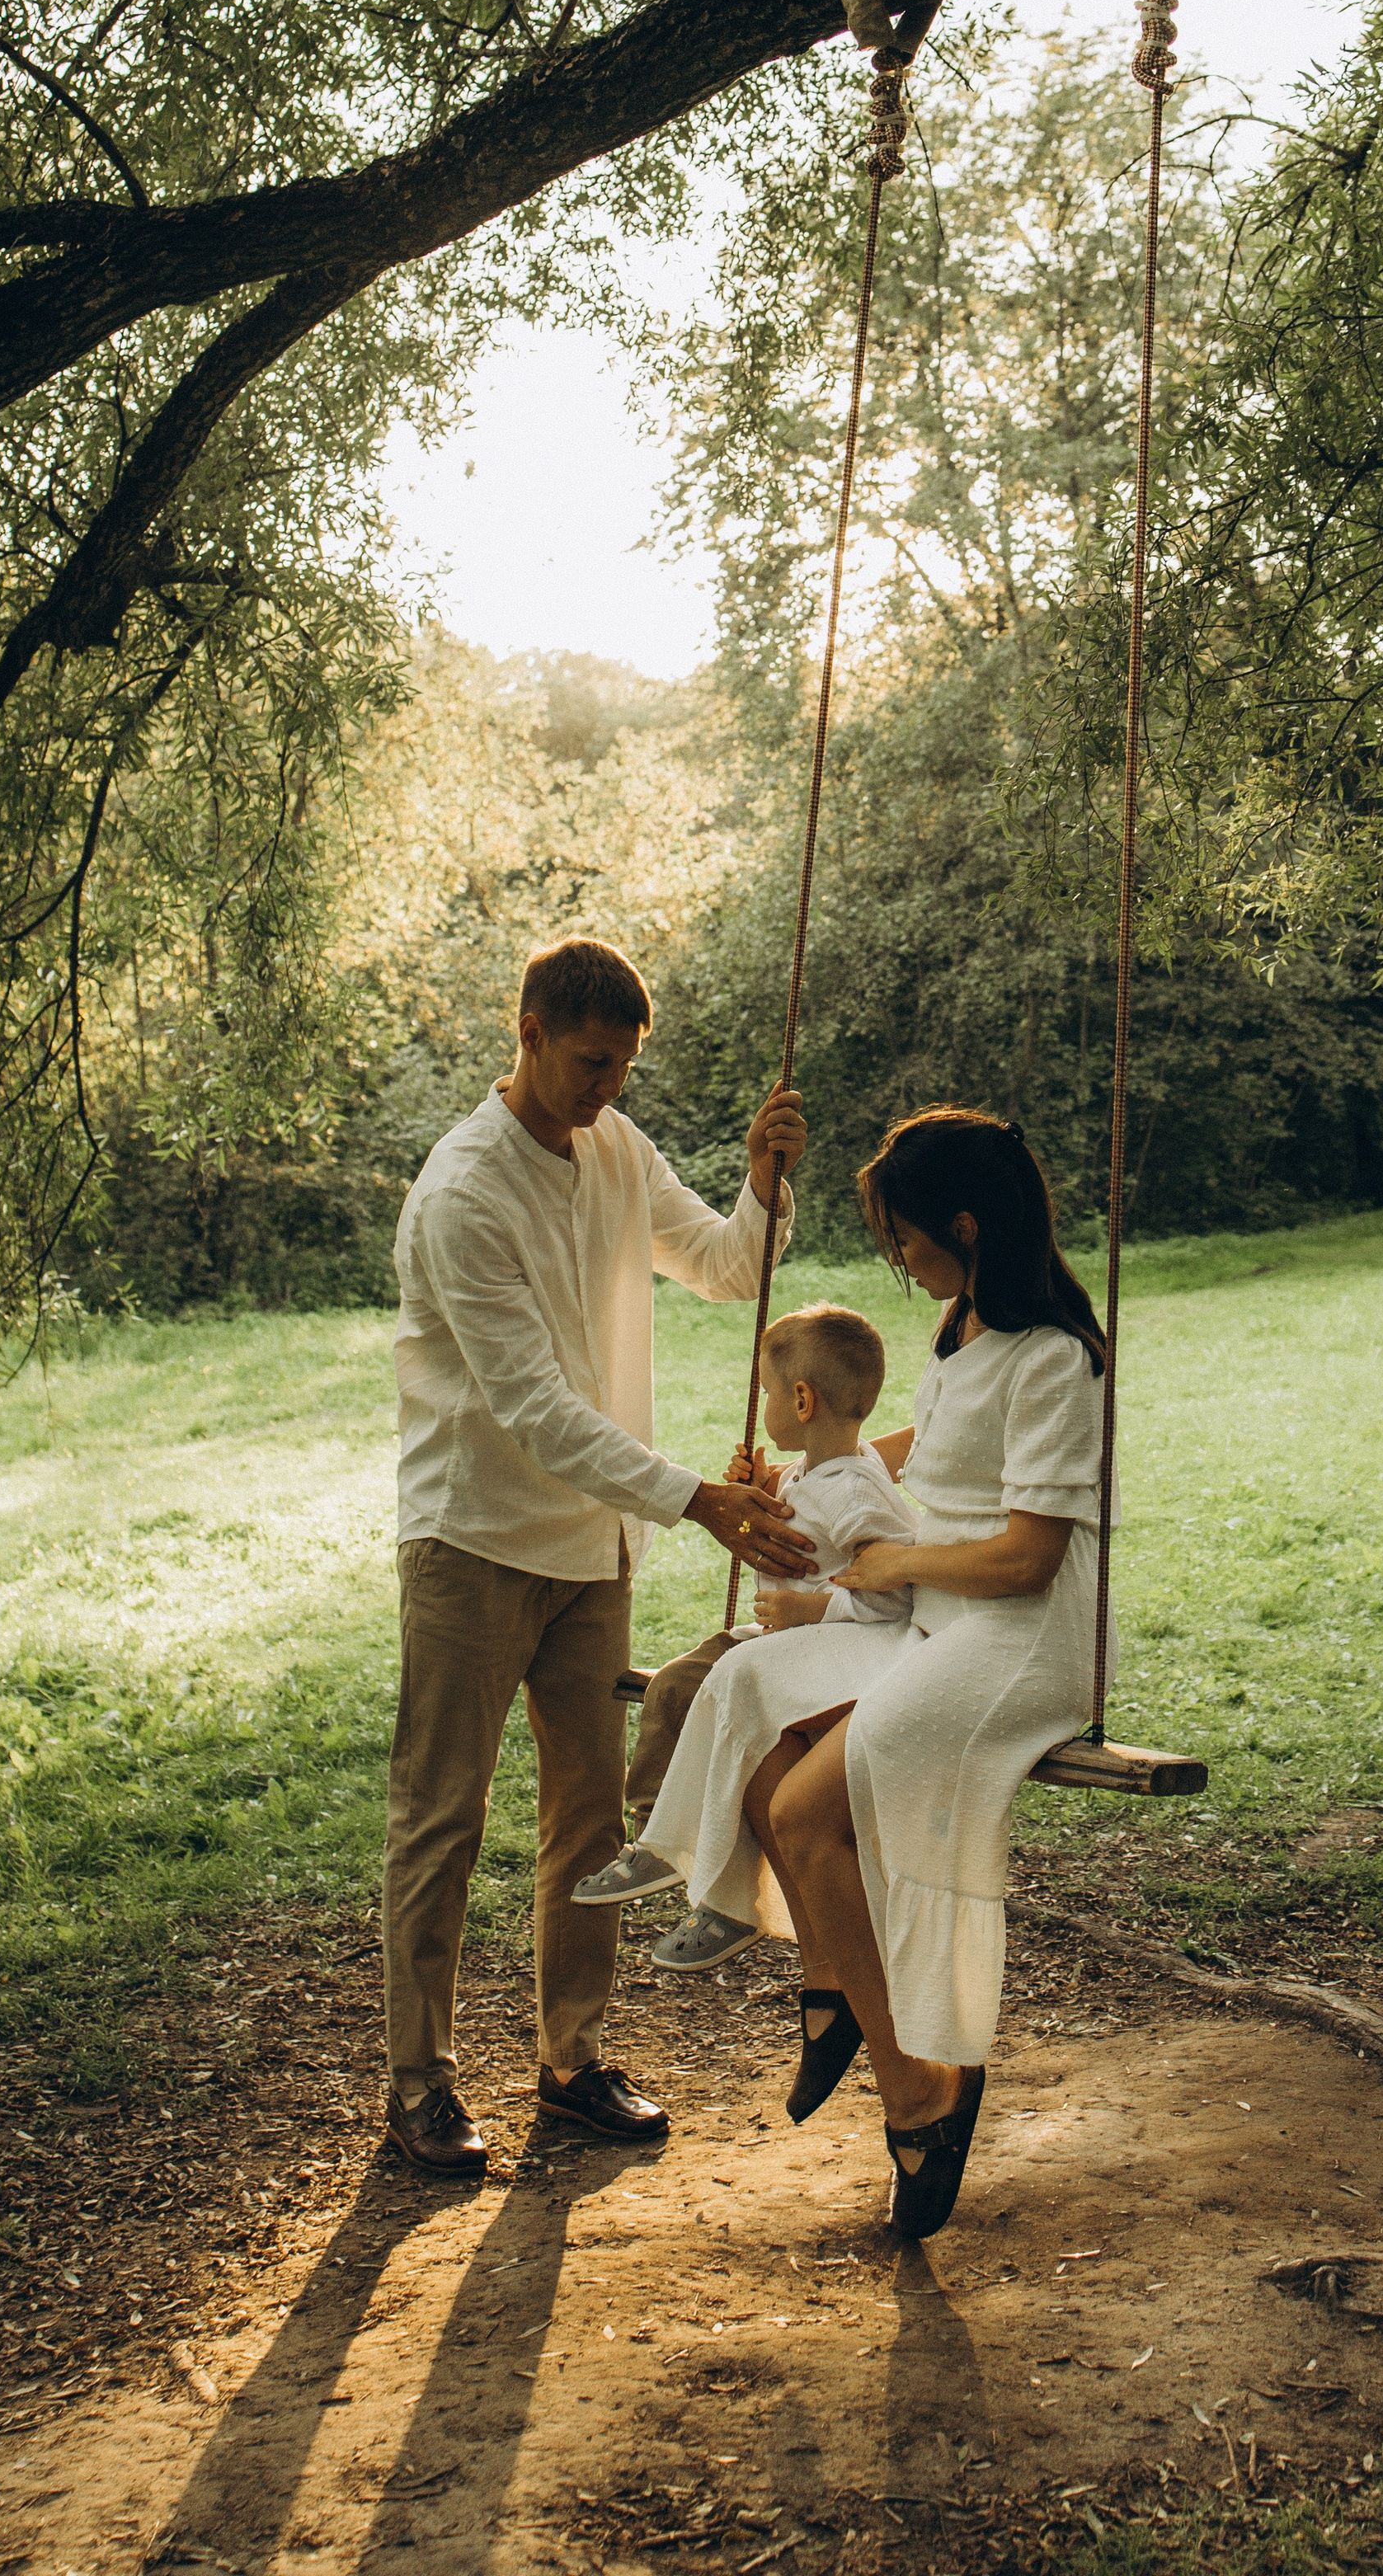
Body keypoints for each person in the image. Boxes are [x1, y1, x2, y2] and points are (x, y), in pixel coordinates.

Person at [381, 934, 817, 2177]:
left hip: (592, 1545)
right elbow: (532, 1409)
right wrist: (697, 1501)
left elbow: (734, 1270)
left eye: (623, 1068)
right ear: (527, 1032)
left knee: (588, 1820)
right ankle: (418, 2084)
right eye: (588, 1062)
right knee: (442, 1818)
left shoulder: (616, 1148)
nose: (606, 1089)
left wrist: (762, 1180)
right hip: (470, 1537)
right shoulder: (464, 1192)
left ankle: (571, 2063)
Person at [642, 1109, 1113, 2235]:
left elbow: (1029, 1554)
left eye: (905, 1239)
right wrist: (827, 1458)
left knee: (808, 1819)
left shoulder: (1057, 1358)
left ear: (962, 1223)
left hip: (1019, 1638)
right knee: (767, 1774)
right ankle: (847, 1998)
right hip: (933, 1621)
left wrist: (891, 1557)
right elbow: (935, 1442)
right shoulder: (963, 1327)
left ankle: (919, 2090)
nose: (898, 1261)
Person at [575, 1300, 915, 1974]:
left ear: (801, 1398)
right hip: (771, 1645)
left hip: (828, 1654)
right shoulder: (807, 1473)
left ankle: (700, 1879)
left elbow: (897, 1590)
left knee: (712, 1709)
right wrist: (757, 1492)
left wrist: (817, 1612)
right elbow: (792, 1537)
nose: (762, 1406)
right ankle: (658, 1838)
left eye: (766, 1393)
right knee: (674, 1685)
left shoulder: (860, 1492)